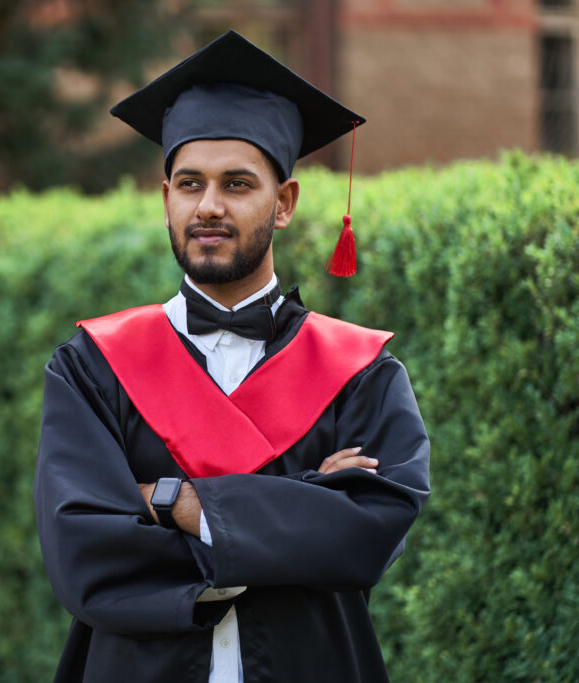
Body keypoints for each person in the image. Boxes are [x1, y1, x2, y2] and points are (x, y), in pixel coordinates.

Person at [33, 31, 430, 683]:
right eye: (189, 183)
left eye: (237, 183)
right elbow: (86, 552)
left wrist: (174, 503)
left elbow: (364, 536)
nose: (208, 205)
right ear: (166, 199)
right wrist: (304, 503)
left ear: (284, 204)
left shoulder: (363, 372)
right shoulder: (92, 367)